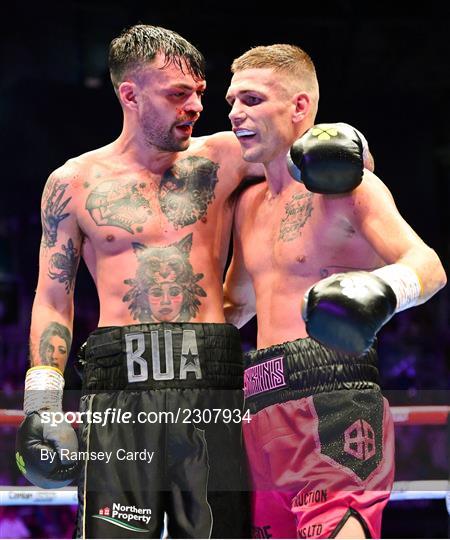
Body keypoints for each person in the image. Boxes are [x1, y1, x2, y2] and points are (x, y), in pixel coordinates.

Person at [16, 24, 269, 539]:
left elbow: (340, 164)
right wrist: (41, 403)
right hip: (118, 379)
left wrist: (346, 143)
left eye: (199, 92)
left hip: (209, 374)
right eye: (178, 94)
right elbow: (53, 296)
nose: (196, 106)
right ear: (129, 94)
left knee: (217, 532)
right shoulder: (74, 182)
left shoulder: (225, 155)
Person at [223, 44, 447, 539]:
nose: (236, 113)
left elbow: (428, 265)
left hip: (334, 396)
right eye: (231, 102)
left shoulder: (350, 189)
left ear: (300, 107)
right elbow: (236, 304)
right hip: (258, 400)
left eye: (252, 100)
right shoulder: (249, 205)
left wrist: (381, 287)